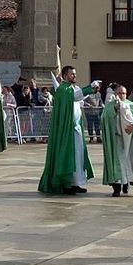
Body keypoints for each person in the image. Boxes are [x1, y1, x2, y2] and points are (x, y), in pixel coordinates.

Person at [38, 66, 99, 195]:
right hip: (67, 129)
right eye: (72, 74)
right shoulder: (62, 89)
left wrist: (92, 90)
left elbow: (79, 97)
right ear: (65, 76)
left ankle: (75, 183)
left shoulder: (72, 88)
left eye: (75, 74)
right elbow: (75, 96)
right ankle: (66, 183)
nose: (74, 76)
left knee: (78, 156)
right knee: (69, 155)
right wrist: (90, 87)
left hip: (76, 128)